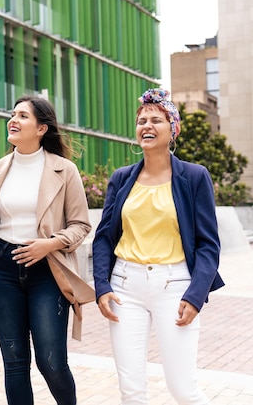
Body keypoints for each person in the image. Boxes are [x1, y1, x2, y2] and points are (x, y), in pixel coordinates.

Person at [92, 88, 225, 404]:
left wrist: (195, 296)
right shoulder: (121, 178)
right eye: (141, 121)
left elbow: (209, 244)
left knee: (182, 387)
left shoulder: (194, 177)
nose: (147, 127)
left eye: (156, 120)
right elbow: (103, 238)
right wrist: (101, 286)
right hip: (125, 287)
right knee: (132, 390)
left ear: (172, 128)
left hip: (175, 287)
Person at [0, 96, 95, 405]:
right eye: (12, 114)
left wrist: (50, 243)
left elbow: (81, 225)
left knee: (51, 362)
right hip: (2, 269)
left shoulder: (65, 170)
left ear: (41, 128)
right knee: (14, 364)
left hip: (48, 271)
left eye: (23, 115)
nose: (13, 120)